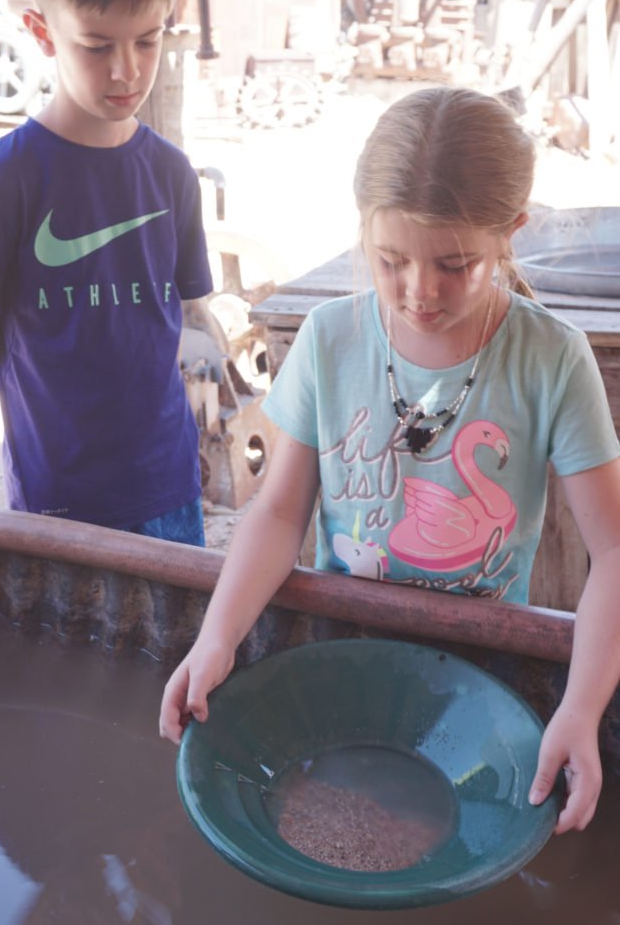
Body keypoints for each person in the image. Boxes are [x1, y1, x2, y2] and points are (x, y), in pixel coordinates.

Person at [159, 86, 620, 835]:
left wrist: (578, 706)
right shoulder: (328, 338)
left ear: (511, 233)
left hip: (483, 676)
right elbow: (277, 512)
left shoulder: (551, 360)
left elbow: (614, 547)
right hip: (343, 656)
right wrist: (217, 637)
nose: (418, 292)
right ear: (363, 235)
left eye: (454, 264)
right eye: (390, 260)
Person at [0, 0, 213, 544]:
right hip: (59, 496)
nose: (128, 70)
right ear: (42, 33)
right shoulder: (3, 182)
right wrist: (63, 386)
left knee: (176, 639)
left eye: (148, 40)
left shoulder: (172, 174)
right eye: (96, 46)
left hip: (168, 481)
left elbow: (170, 325)